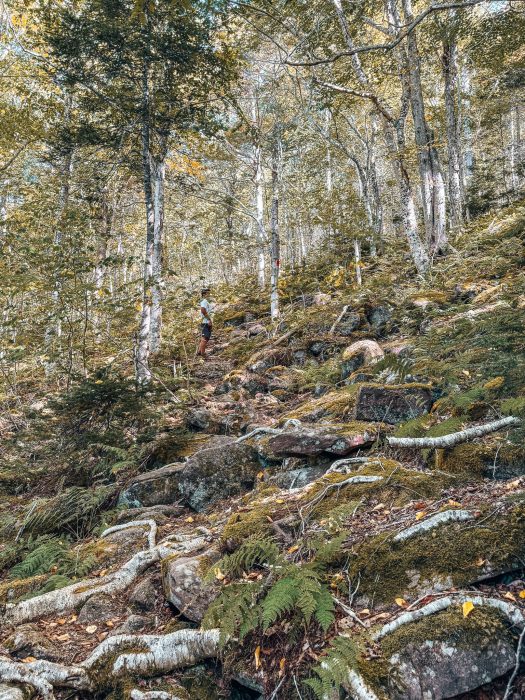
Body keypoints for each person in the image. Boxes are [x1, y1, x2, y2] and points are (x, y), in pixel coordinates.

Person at [196, 287, 213, 358]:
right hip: (205, 322)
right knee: (205, 338)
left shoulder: (205, 301)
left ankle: (199, 352)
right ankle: (203, 354)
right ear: (204, 294)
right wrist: (209, 320)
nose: (209, 294)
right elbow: (203, 310)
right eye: (208, 293)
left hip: (206, 322)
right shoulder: (204, 301)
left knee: (206, 337)